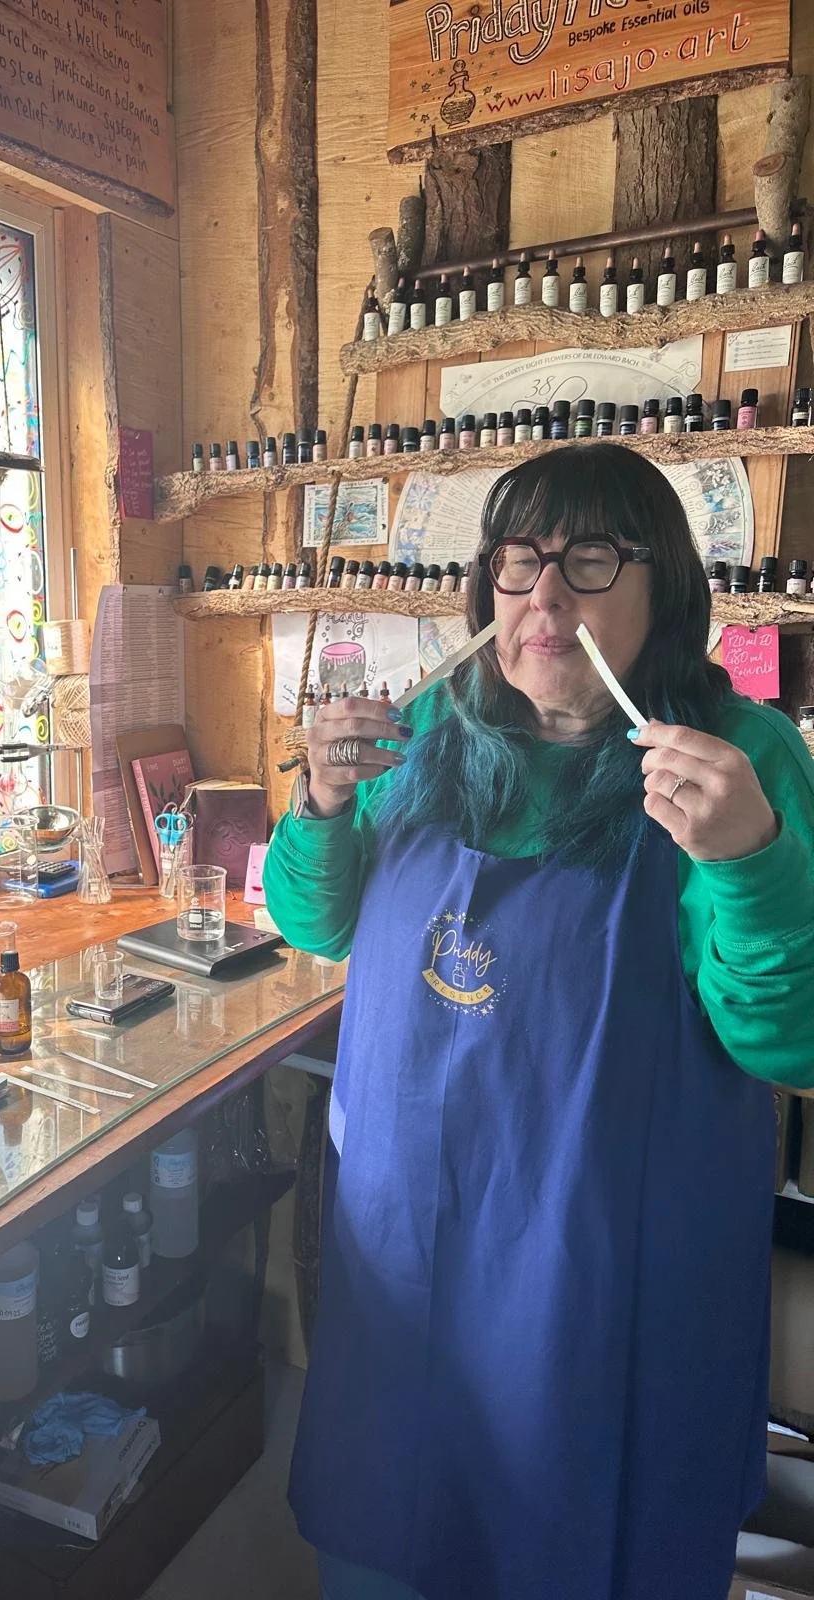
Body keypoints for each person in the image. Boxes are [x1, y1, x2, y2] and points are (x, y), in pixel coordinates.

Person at [264, 444, 814, 1600]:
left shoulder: (738, 758)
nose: (544, 597)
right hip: (406, 1276)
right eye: (518, 563)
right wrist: (316, 802)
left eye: (589, 560)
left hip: (611, 1297)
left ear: (663, 585)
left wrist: (751, 863)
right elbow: (321, 924)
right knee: (388, 1547)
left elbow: (791, 1039)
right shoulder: (424, 732)